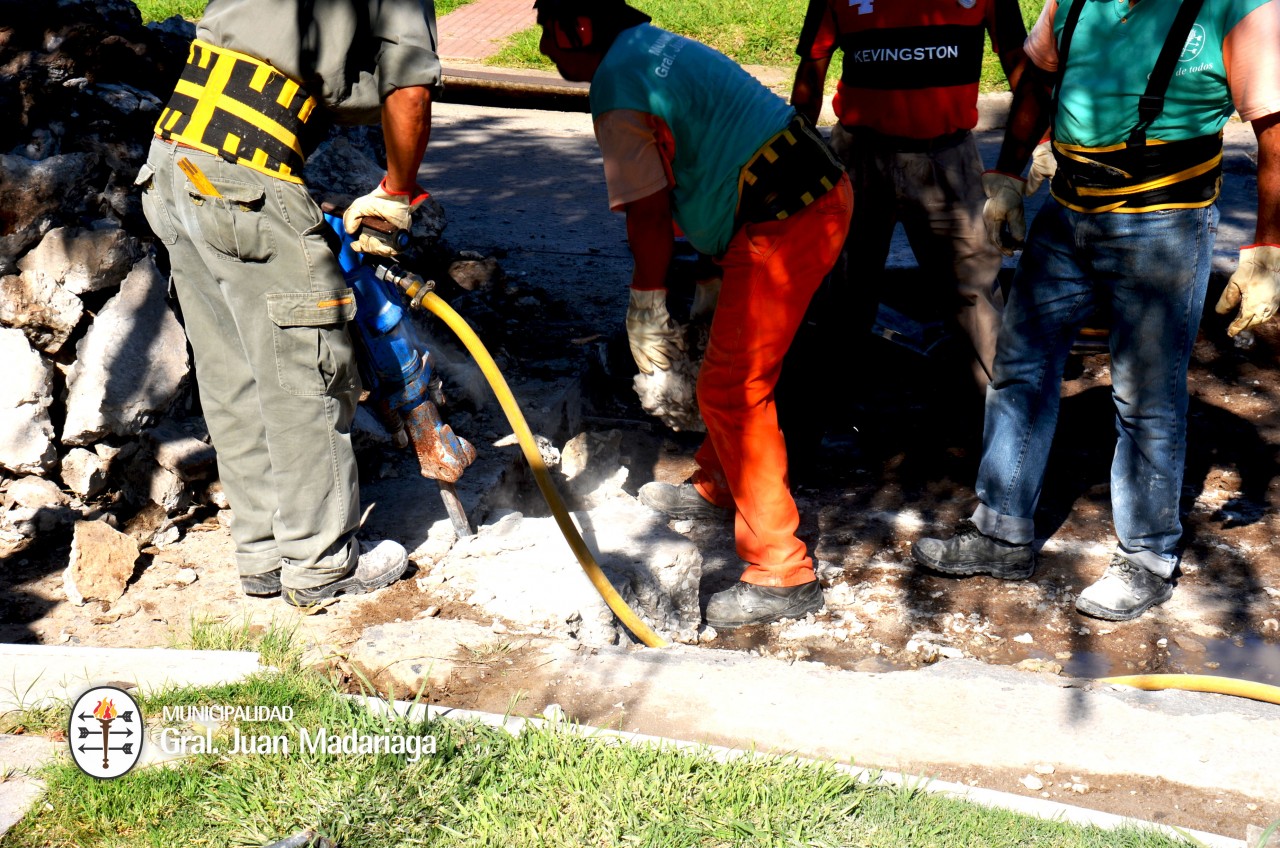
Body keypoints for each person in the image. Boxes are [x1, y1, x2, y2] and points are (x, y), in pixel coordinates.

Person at [911, 0, 1280, 620]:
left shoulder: (1236, 6)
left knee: (1147, 397)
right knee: (1021, 369)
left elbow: (1274, 129)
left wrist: (1267, 248)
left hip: (1164, 225)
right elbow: (1037, 77)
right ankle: (1001, 530)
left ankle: (1148, 559)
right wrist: (1008, 171)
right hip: (1067, 216)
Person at [535, 0, 853, 629]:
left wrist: (647, 306)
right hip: (797, 199)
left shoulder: (617, 84)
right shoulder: (652, 48)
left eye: (548, 28)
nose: (544, 47)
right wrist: (711, 276)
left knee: (734, 388)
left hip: (786, 219)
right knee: (729, 370)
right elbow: (712, 157)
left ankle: (782, 573)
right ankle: (719, 485)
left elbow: (650, 215)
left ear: (580, 25)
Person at [138, 0, 447, 605]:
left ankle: (263, 554)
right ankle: (319, 564)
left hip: (174, 163)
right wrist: (394, 194)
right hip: (245, 173)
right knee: (305, 370)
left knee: (236, 371)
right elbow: (409, 94)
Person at [789, 0, 1037, 393]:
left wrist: (1036, 147)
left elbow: (1021, 66)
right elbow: (811, 73)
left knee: (976, 298)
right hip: (857, 161)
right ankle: (812, 430)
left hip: (947, 160)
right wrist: (798, 162)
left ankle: (1008, 433)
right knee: (840, 297)